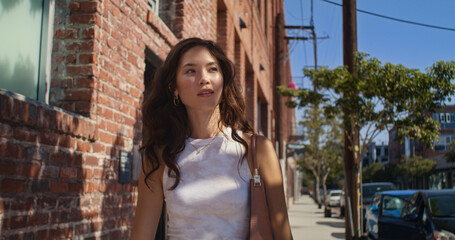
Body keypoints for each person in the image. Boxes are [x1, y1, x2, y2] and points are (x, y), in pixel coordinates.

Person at [131, 38, 293, 240]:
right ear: (174, 87)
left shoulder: (256, 150)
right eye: (191, 71)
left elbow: (283, 234)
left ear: (222, 80)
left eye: (212, 69)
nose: (204, 79)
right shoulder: (159, 157)